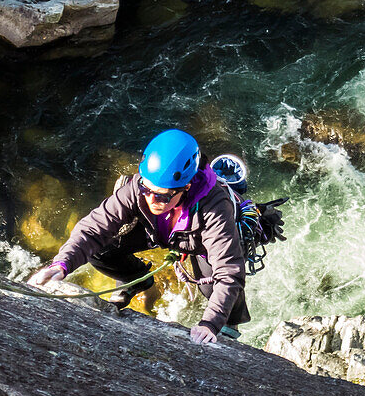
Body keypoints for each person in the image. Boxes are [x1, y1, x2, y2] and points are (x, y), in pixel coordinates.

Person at [29, 129, 250, 344]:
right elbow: (92, 229)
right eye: (147, 190)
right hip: (161, 232)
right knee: (101, 250)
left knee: (211, 287)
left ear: (187, 186)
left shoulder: (214, 208)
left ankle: (231, 323)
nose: (152, 200)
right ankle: (137, 280)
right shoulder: (138, 187)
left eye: (163, 196)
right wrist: (61, 265)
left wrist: (211, 324)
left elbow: (229, 271)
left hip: (198, 242)